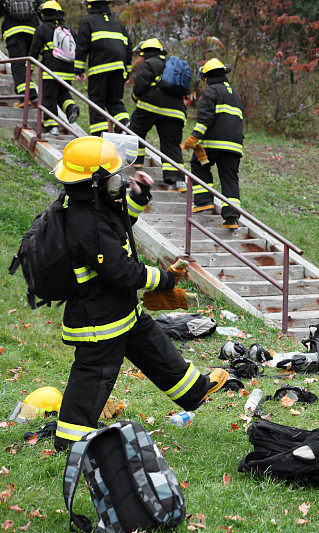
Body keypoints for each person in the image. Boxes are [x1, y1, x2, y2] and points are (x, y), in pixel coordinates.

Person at [52, 135, 228, 451]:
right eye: (112, 178)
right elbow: (123, 273)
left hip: (116, 311)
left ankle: (193, 390)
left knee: (153, 346)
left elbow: (118, 227)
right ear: (93, 182)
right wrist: (165, 278)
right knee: (93, 378)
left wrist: (138, 195)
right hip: (99, 324)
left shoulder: (89, 205)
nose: (118, 181)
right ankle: (71, 440)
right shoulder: (85, 223)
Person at [182, 58, 244, 229]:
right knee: (229, 178)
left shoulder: (211, 92)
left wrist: (194, 138)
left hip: (212, 145)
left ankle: (203, 200)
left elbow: (204, 119)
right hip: (234, 147)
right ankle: (231, 218)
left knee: (198, 163)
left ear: (207, 77)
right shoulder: (236, 95)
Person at [129, 38, 186, 191]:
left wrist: (134, 98)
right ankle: (177, 180)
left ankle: (135, 164)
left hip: (150, 107)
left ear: (145, 52)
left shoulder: (148, 63)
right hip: (175, 113)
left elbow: (139, 87)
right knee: (171, 145)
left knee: (135, 131)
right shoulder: (171, 66)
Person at [74, 0, 131, 136]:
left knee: (96, 101)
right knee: (114, 101)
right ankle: (125, 125)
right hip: (118, 68)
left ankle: (99, 134)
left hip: (99, 69)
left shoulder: (88, 21)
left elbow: (82, 46)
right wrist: (126, 73)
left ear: (90, 6)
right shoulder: (119, 24)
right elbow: (129, 49)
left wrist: (79, 70)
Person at [29, 0, 78, 134]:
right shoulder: (70, 30)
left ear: (44, 14)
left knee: (49, 97)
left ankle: (52, 126)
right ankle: (71, 108)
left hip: (50, 71)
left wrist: (30, 66)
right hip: (67, 72)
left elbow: (34, 51)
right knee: (63, 93)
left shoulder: (42, 29)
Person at [1, 0, 39, 103]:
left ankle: (27, 95)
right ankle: (25, 93)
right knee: (28, 64)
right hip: (32, 31)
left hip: (14, 32)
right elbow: (42, 10)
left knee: (18, 65)